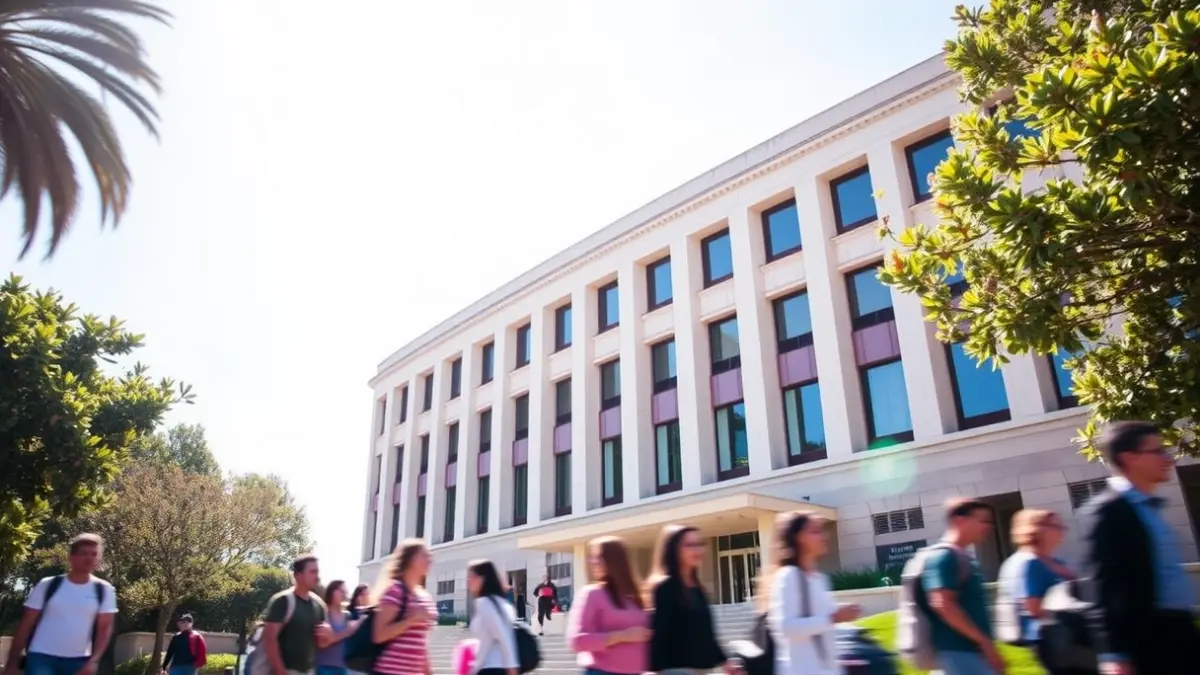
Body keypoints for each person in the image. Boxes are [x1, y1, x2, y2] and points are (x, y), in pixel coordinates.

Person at [1080, 421, 1200, 675]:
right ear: (1130, 458)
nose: (1168, 458)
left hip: (1181, 632)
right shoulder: (1108, 512)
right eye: (1157, 451)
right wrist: (1114, 653)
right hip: (1149, 642)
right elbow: (1103, 586)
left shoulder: (1151, 508)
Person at [1, 534, 118, 675]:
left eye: (94, 554)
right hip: (41, 657)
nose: (89, 558)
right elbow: (25, 625)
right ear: (71, 556)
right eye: (84, 553)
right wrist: (12, 663)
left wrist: (94, 661)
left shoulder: (104, 589)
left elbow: (104, 629)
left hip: (79, 661)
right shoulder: (48, 585)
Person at [996, 510, 1090, 675]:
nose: (1062, 530)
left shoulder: (1055, 561)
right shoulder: (1029, 563)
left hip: (1067, 638)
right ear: (1035, 529)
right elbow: (1033, 607)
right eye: (1056, 526)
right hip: (1051, 641)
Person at [768, 511, 861, 675]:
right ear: (799, 538)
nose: (824, 536)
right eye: (815, 531)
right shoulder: (789, 576)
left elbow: (820, 619)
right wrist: (833, 618)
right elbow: (786, 627)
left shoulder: (818, 578)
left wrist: (840, 614)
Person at [921, 498, 1004, 675]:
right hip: (958, 655)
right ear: (960, 520)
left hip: (972, 655)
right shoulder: (944, 556)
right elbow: (943, 604)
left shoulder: (964, 558)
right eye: (983, 521)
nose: (989, 526)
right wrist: (984, 642)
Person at [646, 524, 731, 675]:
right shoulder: (665, 588)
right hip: (676, 670)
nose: (697, 550)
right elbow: (658, 635)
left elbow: (707, 634)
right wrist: (652, 670)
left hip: (703, 670)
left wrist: (725, 662)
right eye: (690, 545)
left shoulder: (697, 589)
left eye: (700, 544)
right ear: (673, 550)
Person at [566, 536, 650, 675]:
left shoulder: (638, 596)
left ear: (616, 561)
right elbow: (577, 641)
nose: (593, 562)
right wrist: (623, 636)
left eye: (599, 557)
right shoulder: (592, 594)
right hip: (602, 671)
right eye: (592, 557)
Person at [371, 539, 437, 675]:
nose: (430, 559)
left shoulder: (425, 596)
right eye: (424, 555)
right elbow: (379, 635)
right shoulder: (395, 591)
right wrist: (411, 620)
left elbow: (420, 643)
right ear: (410, 560)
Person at [262, 554, 333, 675]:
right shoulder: (282, 601)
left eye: (317, 572)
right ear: (298, 575)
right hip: (286, 671)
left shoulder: (319, 605)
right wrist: (280, 671)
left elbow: (321, 644)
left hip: (309, 671)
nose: (317, 577)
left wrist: (328, 635)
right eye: (312, 572)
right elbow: (269, 639)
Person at [466, 560, 519, 675]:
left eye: (472, 577)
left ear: (483, 578)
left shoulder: (484, 603)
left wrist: (512, 667)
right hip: (497, 667)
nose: (468, 582)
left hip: (489, 668)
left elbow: (503, 635)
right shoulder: (502, 603)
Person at [315, 581, 360, 675]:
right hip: (324, 667)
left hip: (342, 667)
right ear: (331, 591)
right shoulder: (323, 613)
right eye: (340, 590)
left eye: (345, 591)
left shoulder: (347, 616)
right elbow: (321, 644)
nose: (343, 593)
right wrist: (346, 632)